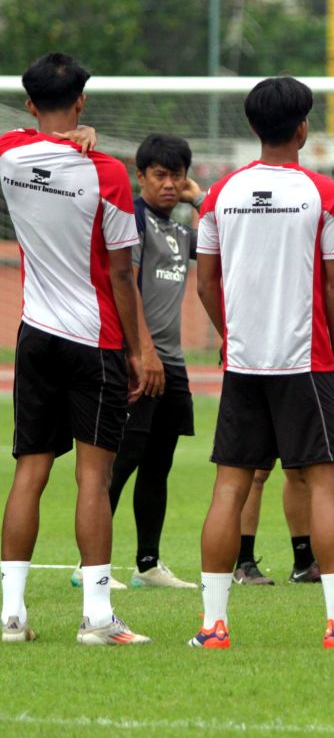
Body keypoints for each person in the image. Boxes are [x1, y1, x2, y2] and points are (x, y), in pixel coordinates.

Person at [190, 76, 334, 649]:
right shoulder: (322, 194)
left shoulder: (220, 193)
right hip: (305, 362)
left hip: (244, 364)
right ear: (303, 129)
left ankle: (213, 626)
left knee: (229, 489)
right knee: (326, 489)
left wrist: (232, 334)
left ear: (254, 127)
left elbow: (205, 281)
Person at [0, 52, 149, 645]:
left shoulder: (9, 151)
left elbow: (27, 134)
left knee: (29, 472)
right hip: (94, 339)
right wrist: (141, 351)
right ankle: (96, 618)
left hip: (34, 333)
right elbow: (120, 275)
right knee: (94, 477)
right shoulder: (106, 172)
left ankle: (12, 616)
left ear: (31, 103)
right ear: (82, 100)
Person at [105, 134, 206, 590]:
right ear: (140, 175)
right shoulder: (135, 223)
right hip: (140, 362)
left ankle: (147, 564)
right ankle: (91, 566)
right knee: (121, 462)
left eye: (176, 175)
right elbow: (122, 285)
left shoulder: (179, 229)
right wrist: (140, 354)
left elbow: (221, 243)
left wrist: (199, 198)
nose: (169, 184)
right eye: (159, 175)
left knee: (158, 465)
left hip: (173, 362)